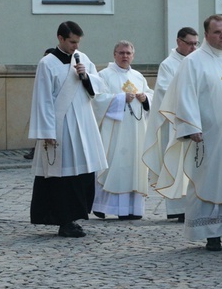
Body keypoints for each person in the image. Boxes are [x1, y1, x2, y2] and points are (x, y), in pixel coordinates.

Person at [156, 15, 222, 252]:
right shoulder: (193, 61)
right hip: (210, 136)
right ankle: (211, 233)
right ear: (206, 35)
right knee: (210, 181)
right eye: (217, 32)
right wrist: (190, 126)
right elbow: (185, 96)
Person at [28, 21, 107, 238]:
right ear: (60, 38)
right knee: (61, 177)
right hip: (60, 126)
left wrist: (86, 77)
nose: (75, 46)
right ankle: (64, 220)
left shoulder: (82, 59)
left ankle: (76, 215)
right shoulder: (47, 63)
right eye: (72, 42)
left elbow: (98, 86)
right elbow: (42, 99)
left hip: (83, 122)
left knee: (82, 174)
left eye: (78, 42)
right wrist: (46, 132)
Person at [142, 26, 199, 222]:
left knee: (194, 164)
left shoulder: (199, 60)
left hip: (197, 120)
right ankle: (177, 207)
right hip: (175, 123)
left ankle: (194, 204)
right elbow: (165, 93)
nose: (193, 48)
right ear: (178, 42)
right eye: (189, 43)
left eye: (195, 43)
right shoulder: (168, 64)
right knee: (176, 163)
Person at [91, 41, 153, 219]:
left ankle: (132, 209)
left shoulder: (138, 76)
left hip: (136, 130)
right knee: (115, 166)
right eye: (121, 53)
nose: (125, 56)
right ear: (114, 54)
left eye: (128, 53)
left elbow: (151, 94)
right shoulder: (104, 75)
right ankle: (105, 206)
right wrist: (120, 98)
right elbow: (97, 100)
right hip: (115, 130)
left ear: (133, 55)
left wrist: (145, 98)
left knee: (134, 166)